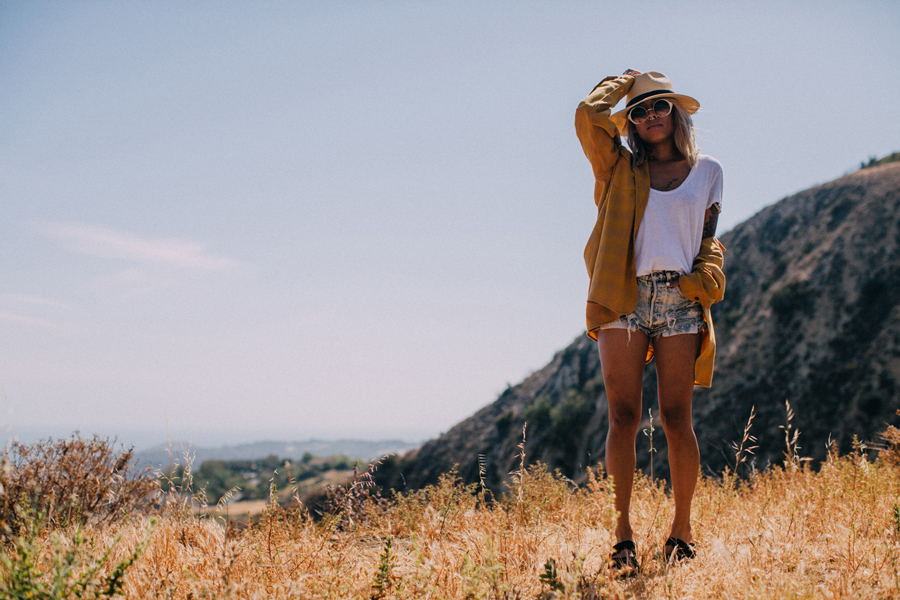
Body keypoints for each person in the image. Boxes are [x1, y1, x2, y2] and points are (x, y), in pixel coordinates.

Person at [574, 70, 726, 575]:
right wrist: (624, 83)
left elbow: (708, 239)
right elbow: (587, 118)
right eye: (639, 111)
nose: (650, 116)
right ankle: (623, 538)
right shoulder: (618, 168)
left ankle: (681, 532)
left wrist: (704, 274)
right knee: (623, 417)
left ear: (675, 112)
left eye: (659, 105)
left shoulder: (708, 171)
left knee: (677, 419)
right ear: (632, 123)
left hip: (680, 300)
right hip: (625, 296)